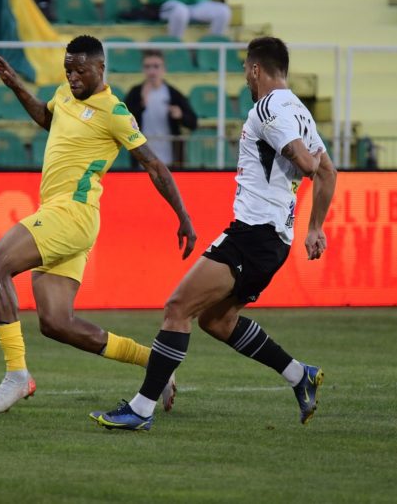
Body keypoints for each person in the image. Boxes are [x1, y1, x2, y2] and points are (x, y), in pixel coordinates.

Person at [90, 36, 337, 431]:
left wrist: (299, 160)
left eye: (245, 69)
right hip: (274, 240)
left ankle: (141, 408)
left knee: (177, 308)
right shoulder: (302, 111)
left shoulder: (269, 106)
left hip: (253, 234)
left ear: (256, 69)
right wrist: (314, 227)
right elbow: (329, 172)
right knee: (216, 321)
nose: (244, 76)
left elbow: (308, 163)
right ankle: (298, 375)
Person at [0, 35, 197, 414]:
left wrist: (183, 215)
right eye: (68, 69)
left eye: (80, 69)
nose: (74, 76)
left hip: (73, 213)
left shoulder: (114, 111)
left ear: (101, 68)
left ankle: (17, 376)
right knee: (55, 323)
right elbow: (48, 119)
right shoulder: (64, 94)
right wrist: (17, 85)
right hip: (59, 212)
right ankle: (152, 361)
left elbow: (153, 164)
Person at [124, 50, 198, 168]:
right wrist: (141, 104)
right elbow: (123, 124)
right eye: (147, 67)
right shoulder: (135, 93)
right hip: (142, 160)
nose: (152, 71)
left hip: (169, 160)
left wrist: (180, 116)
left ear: (164, 69)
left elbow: (193, 122)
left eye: (156, 66)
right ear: (143, 69)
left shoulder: (173, 94)